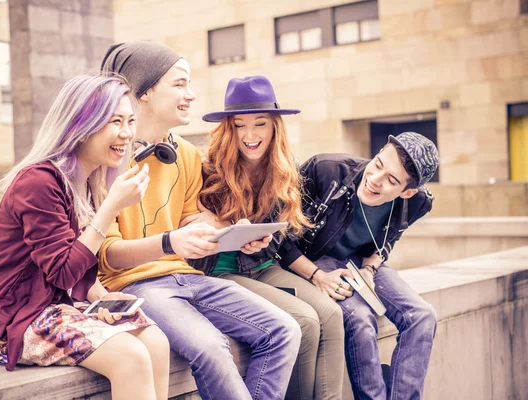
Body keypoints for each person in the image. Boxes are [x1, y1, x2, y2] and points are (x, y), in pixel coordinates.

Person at [0, 74, 171, 400]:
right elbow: (62, 271)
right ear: (81, 124)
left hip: (53, 303)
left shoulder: (89, 178)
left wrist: (101, 298)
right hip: (7, 314)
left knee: (155, 340)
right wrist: (110, 208)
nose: (126, 133)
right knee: (130, 355)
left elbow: (79, 265)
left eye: (130, 121)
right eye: (115, 121)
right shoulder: (40, 181)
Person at [99, 42, 301, 400]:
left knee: (285, 329)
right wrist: (170, 242)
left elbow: (193, 218)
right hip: (134, 286)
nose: (191, 95)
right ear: (143, 92)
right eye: (179, 84)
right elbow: (108, 256)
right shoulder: (105, 160)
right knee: (211, 346)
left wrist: (236, 234)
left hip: (187, 277)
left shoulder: (186, 154)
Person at [187, 75, 346, 400]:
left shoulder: (283, 170)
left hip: (262, 265)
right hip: (220, 271)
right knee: (304, 321)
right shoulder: (209, 170)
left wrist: (317, 275)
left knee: (331, 314)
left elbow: (283, 245)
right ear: (228, 128)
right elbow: (192, 227)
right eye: (240, 125)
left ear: (274, 126)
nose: (250, 135)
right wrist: (229, 230)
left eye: (259, 123)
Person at [289, 132, 440, 400]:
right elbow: (280, 240)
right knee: (359, 319)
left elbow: (390, 236)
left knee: (423, 316)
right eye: (378, 164)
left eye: (391, 180)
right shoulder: (326, 170)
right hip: (316, 259)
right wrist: (316, 275)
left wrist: (371, 268)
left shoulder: (418, 202)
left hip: (361, 265)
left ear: (407, 191)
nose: (375, 180)